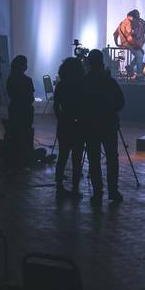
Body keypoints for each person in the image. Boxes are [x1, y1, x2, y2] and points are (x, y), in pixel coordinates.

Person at [81, 49, 125, 205]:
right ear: (102, 63)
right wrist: (111, 110)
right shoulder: (109, 81)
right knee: (112, 158)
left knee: (94, 159)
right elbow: (120, 102)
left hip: (91, 125)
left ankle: (97, 192)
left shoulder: (84, 82)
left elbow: (80, 105)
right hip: (108, 124)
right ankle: (113, 191)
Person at [53, 58, 85, 199]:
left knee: (62, 157)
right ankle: (75, 188)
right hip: (78, 124)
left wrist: (60, 118)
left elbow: (56, 106)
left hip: (64, 123)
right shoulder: (80, 85)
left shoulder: (61, 85)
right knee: (76, 159)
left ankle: (59, 186)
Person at [6, 55, 35, 168]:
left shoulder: (10, 79)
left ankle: (14, 159)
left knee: (15, 134)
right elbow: (31, 98)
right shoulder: (27, 80)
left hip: (14, 108)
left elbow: (10, 94)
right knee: (25, 134)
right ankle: (24, 158)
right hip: (25, 110)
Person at [113, 9, 145, 80]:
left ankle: (130, 67)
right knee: (140, 55)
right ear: (132, 17)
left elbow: (115, 34)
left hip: (126, 43)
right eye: (137, 17)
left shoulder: (122, 23)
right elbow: (130, 37)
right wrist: (137, 46)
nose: (137, 19)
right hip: (128, 43)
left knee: (140, 54)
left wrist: (117, 44)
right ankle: (139, 74)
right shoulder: (128, 23)